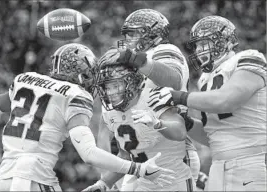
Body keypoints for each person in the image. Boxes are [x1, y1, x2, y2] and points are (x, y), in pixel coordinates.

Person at [0, 43, 175, 191]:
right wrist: (139, 169)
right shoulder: (75, 94)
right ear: (81, 73)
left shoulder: (24, 79)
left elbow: (1, 104)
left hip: (4, 177)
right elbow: (89, 154)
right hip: (35, 180)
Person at [103, 8, 201, 188]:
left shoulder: (163, 50)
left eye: (133, 33)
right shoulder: (133, 60)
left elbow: (173, 79)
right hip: (138, 151)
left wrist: (137, 60)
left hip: (169, 150)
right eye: (126, 35)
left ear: (152, 34)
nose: (127, 40)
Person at [169, 15, 267, 191]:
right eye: (197, 45)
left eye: (204, 43)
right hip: (218, 166)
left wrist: (180, 97)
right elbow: (213, 137)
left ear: (226, 41)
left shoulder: (248, 58)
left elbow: (227, 100)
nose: (199, 50)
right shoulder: (205, 79)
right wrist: (186, 122)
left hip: (251, 162)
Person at [83, 48, 196, 191]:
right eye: (107, 87)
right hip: (144, 185)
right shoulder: (111, 113)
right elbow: (126, 156)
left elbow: (180, 132)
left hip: (174, 182)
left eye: (116, 85)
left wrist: (157, 123)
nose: (110, 93)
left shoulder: (153, 97)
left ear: (132, 82)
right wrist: (104, 183)